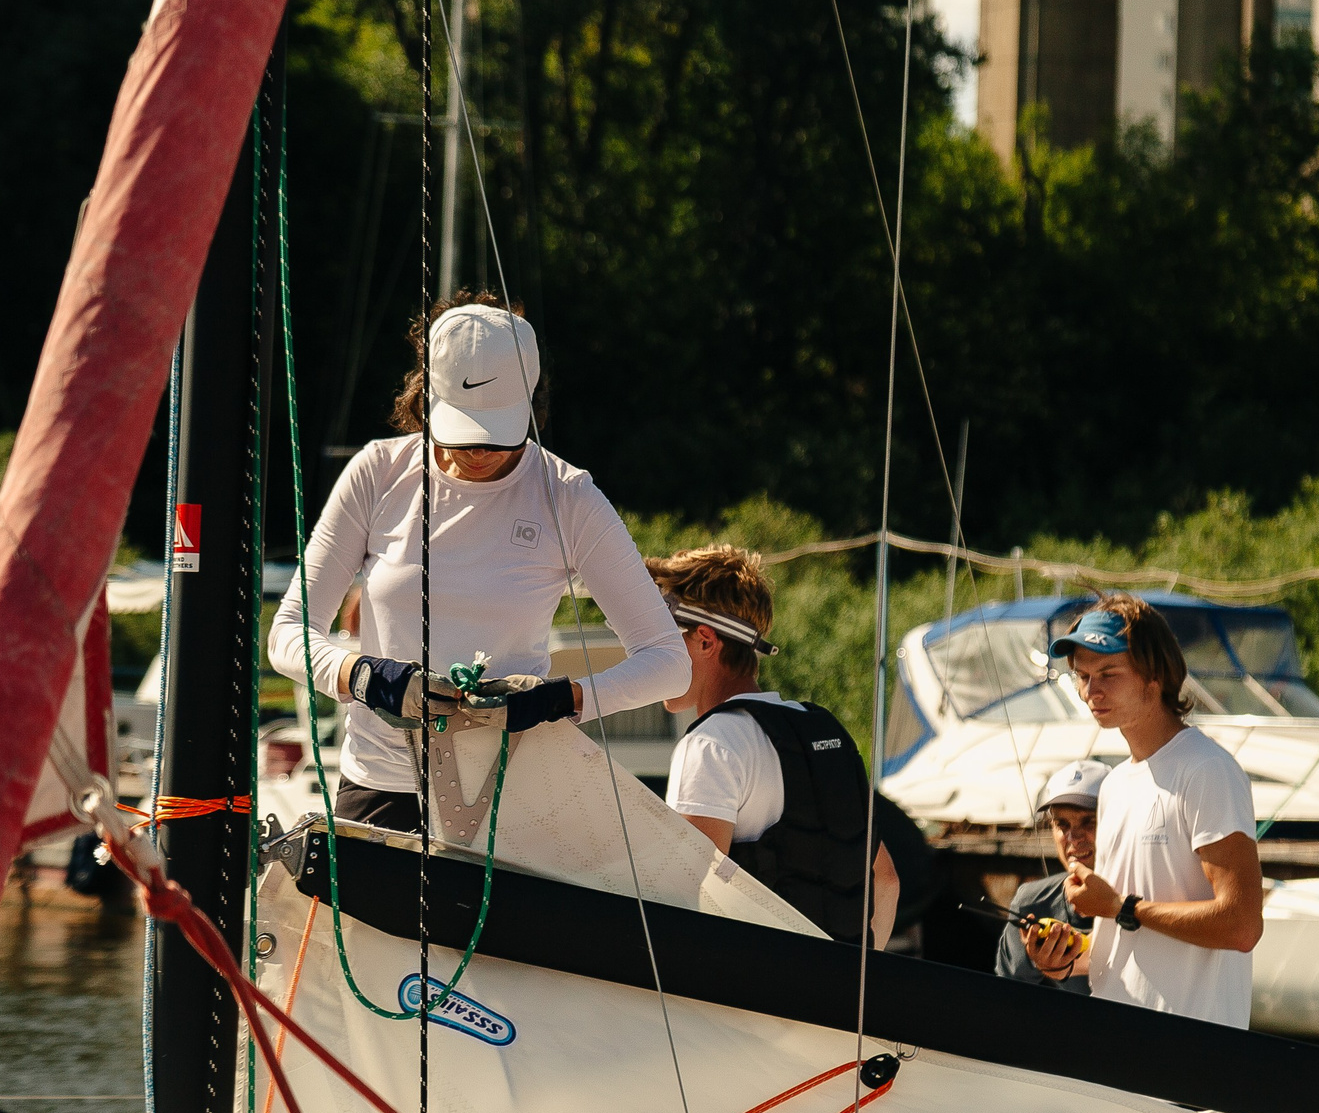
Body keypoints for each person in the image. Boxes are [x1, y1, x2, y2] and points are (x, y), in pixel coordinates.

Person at [269, 296, 685, 833]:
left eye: (497, 432)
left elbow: (667, 661)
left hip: (514, 793)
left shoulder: (569, 496)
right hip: (379, 786)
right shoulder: (377, 474)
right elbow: (287, 636)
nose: (480, 452)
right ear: (430, 395)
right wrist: (367, 676)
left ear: (530, 404)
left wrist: (561, 699)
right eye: (464, 430)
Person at [649, 544, 904, 947]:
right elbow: (886, 881)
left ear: (705, 640)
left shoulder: (710, 745)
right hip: (835, 998)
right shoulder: (821, 729)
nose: (649, 653)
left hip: (749, 997)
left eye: (660, 637)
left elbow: (684, 895)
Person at [1049, 594, 1264, 1027]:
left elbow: (1241, 925)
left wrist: (1120, 906)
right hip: (1120, 1048)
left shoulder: (1207, 770)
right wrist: (1066, 960)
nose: (1092, 690)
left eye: (1109, 673)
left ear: (1155, 678)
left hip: (1187, 1060)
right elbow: (1131, 938)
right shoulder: (1113, 785)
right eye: (1083, 676)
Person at [991, 760, 1109, 994]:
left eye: (1089, 821)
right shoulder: (1031, 903)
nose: (1073, 837)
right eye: (1061, 824)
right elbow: (1008, 997)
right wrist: (1037, 962)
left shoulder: (1147, 895)